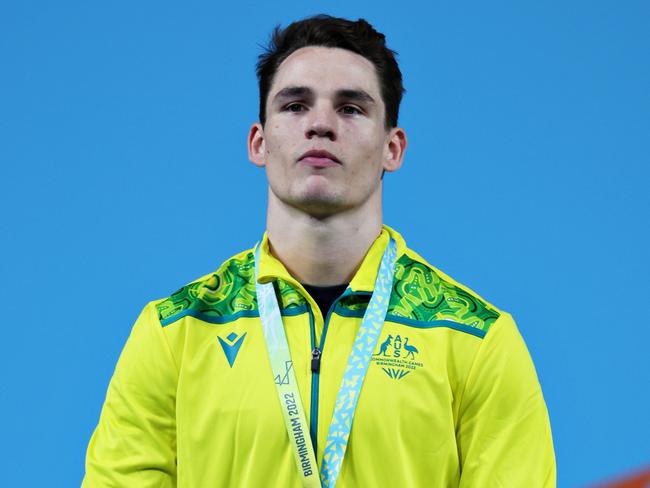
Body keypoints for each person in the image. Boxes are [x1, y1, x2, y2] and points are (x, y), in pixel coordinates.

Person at [82, 14, 556, 487]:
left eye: (351, 108)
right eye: (295, 105)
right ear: (259, 142)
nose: (321, 124)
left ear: (393, 147)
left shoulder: (475, 340)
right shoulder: (177, 333)